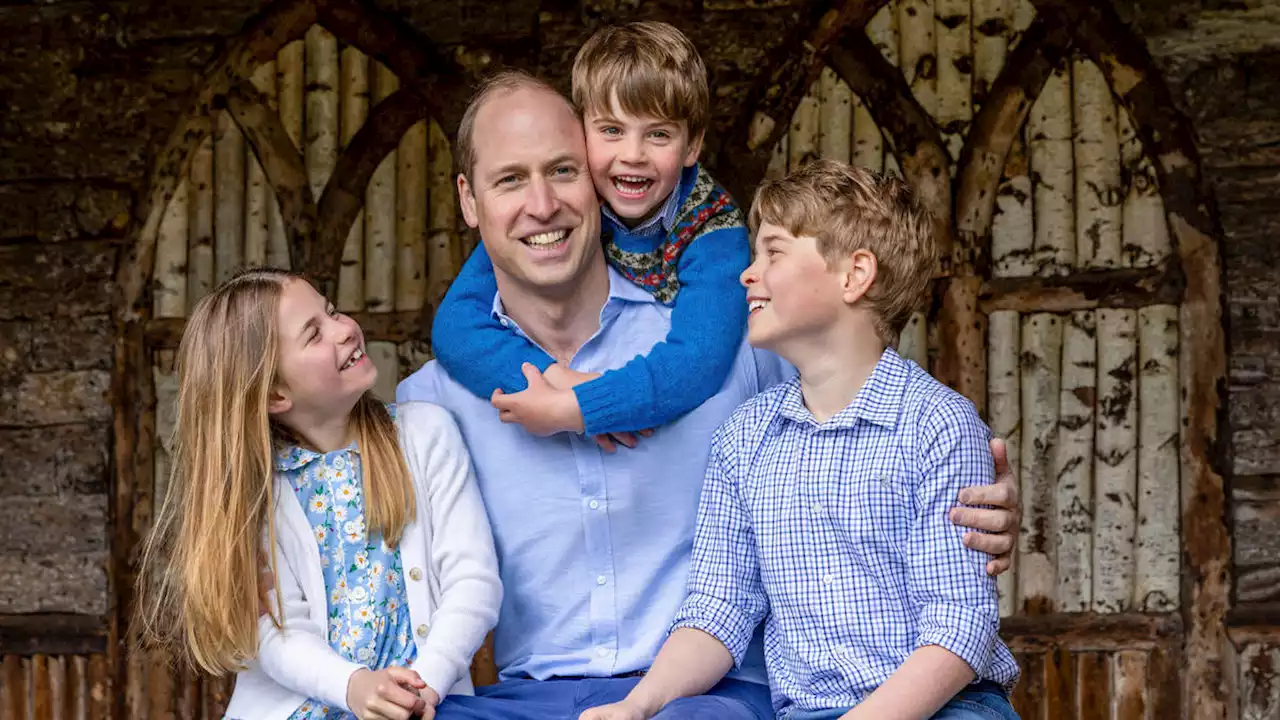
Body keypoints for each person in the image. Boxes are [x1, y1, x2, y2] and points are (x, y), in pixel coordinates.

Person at [397, 72, 1021, 720]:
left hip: (714, 697)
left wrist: (972, 506)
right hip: (529, 700)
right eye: (509, 180)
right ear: (469, 200)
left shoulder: (732, 348)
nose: (543, 204)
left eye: (562, 171)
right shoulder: (432, 406)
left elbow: (865, 419)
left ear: (602, 182)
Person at [581, 161, 1020, 720]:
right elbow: (719, 609)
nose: (748, 272)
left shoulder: (936, 426)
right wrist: (637, 705)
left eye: (774, 252)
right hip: (809, 709)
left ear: (854, 275)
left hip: (949, 706)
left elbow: (960, 624)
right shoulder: (744, 439)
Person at [133, 269, 502, 720]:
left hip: (427, 704)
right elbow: (275, 632)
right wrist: (353, 687)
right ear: (274, 394)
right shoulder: (254, 495)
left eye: (331, 311)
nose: (345, 328)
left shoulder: (426, 434)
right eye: (314, 334)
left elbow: (473, 581)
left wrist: (426, 685)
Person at [430, 21, 750, 445]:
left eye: (658, 134)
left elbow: (700, 359)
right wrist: (551, 379)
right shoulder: (577, 203)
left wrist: (583, 407)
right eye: (612, 131)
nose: (632, 156)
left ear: (692, 147)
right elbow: (455, 326)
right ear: (582, 134)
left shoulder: (714, 230)